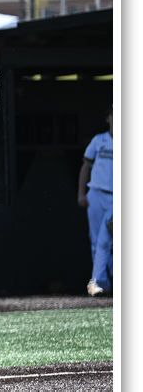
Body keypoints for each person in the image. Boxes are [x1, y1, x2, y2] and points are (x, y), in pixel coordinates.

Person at [78, 104, 113, 296]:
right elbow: (86, 167)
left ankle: (107, 279)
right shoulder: (99, 140)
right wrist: (81, 194)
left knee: (109, 239)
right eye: (113, 115)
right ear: (108, 118)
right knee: (97, 239)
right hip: (97, 194)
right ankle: (100, 282)